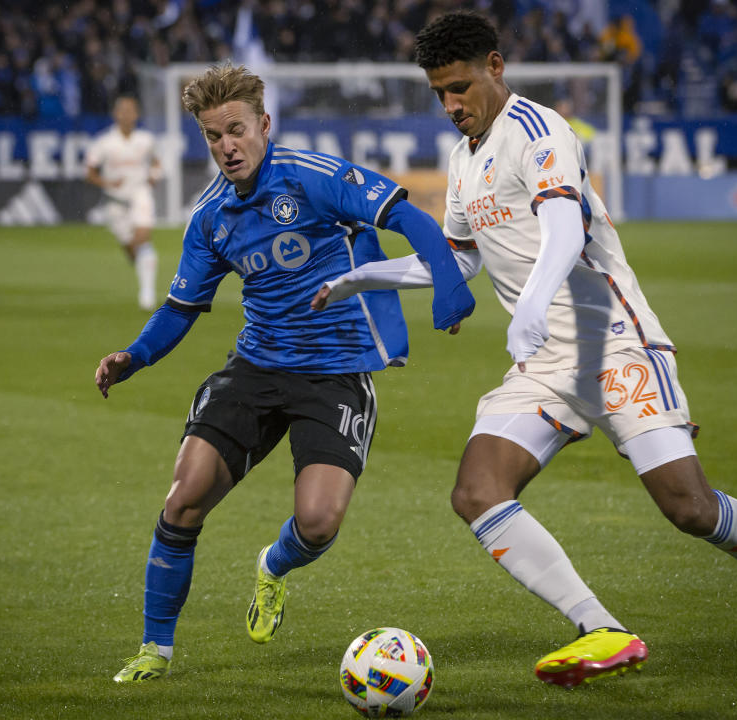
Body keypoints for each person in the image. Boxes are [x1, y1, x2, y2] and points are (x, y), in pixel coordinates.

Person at [313, 11, 737, 689]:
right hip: (543, 362)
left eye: (459, 87)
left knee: (688, 507)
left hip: (614, 345)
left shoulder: (538, 131)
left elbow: (564, 227)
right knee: (477, 491)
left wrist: (534, 304)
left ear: (495, 67)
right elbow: (459, 261)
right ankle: (602, 627)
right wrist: (361, 276)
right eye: (439, 94)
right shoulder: (463, 157)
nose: (452, 105)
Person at [94, 63, 475, 683]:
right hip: (257, 365)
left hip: (336, 372)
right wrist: (133, 357)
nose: (227, 147)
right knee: (184, 497)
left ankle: (273, 566)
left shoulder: (313, 177)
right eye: (213, 136)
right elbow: (181, 306)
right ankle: (154, 650)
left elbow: (407, 216)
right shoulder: (210, 216)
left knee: (319, 523)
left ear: (263, 124)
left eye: (236, 130)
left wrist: (447, 285)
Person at [85, 96, 162, 311]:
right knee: (131, 248)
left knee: (142, 238)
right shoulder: (104, 143)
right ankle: (140, 261)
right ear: (115, 114)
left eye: (131, 111)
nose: (127, 115)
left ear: (137, 114)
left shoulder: (146, 140)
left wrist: (154, 176)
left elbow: (157, 162)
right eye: (123, 111)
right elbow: (89, 173)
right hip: (115, 201)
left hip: (140, 194)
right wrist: (106, 182)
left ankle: (146, 294)